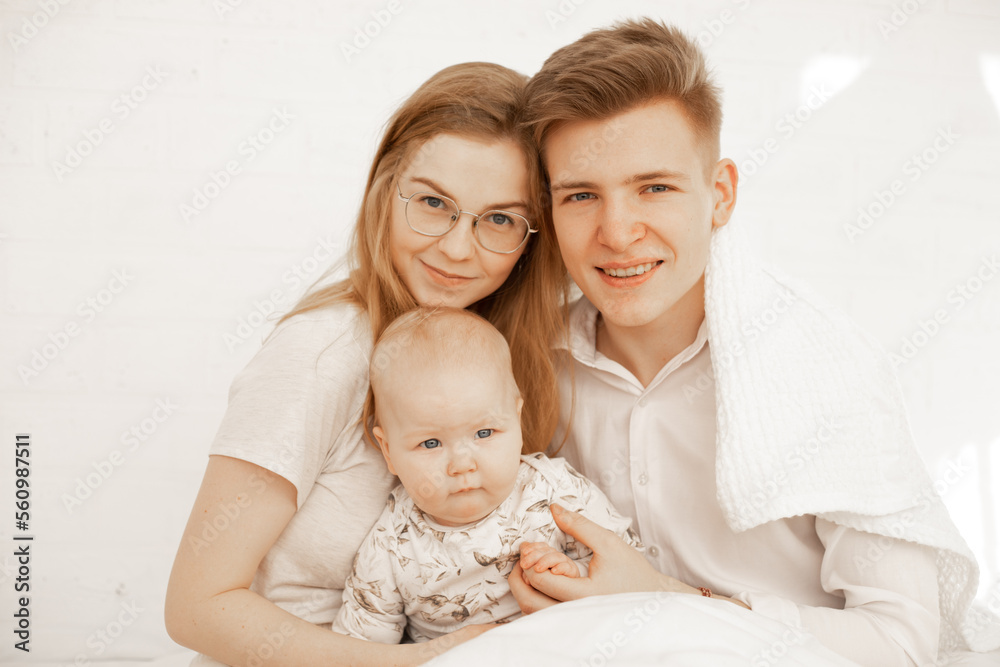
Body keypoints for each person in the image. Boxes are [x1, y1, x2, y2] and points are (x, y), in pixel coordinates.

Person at [507, 18, 1000, 667]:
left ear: (720, 195)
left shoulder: (823, 366)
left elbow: (900, 644)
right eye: (581, 195)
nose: (618, 231)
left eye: (654, 187)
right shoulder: (523, 365)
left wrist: (664, 600)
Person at [164, 61, 569, 667]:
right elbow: (195, 609)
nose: (458, 247)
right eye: (434, 203)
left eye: (500, 219)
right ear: (385, 188)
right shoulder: (321, 354)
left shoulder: (501, 356)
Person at [332, 307, 639, 643]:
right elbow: (362, 648)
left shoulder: (554, 491)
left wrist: (574, 574)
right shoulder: (390, 545)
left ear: (517, 420)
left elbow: (629, 571)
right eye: (430, 443)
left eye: (484, 433)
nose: (462, 465)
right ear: (388, 450)